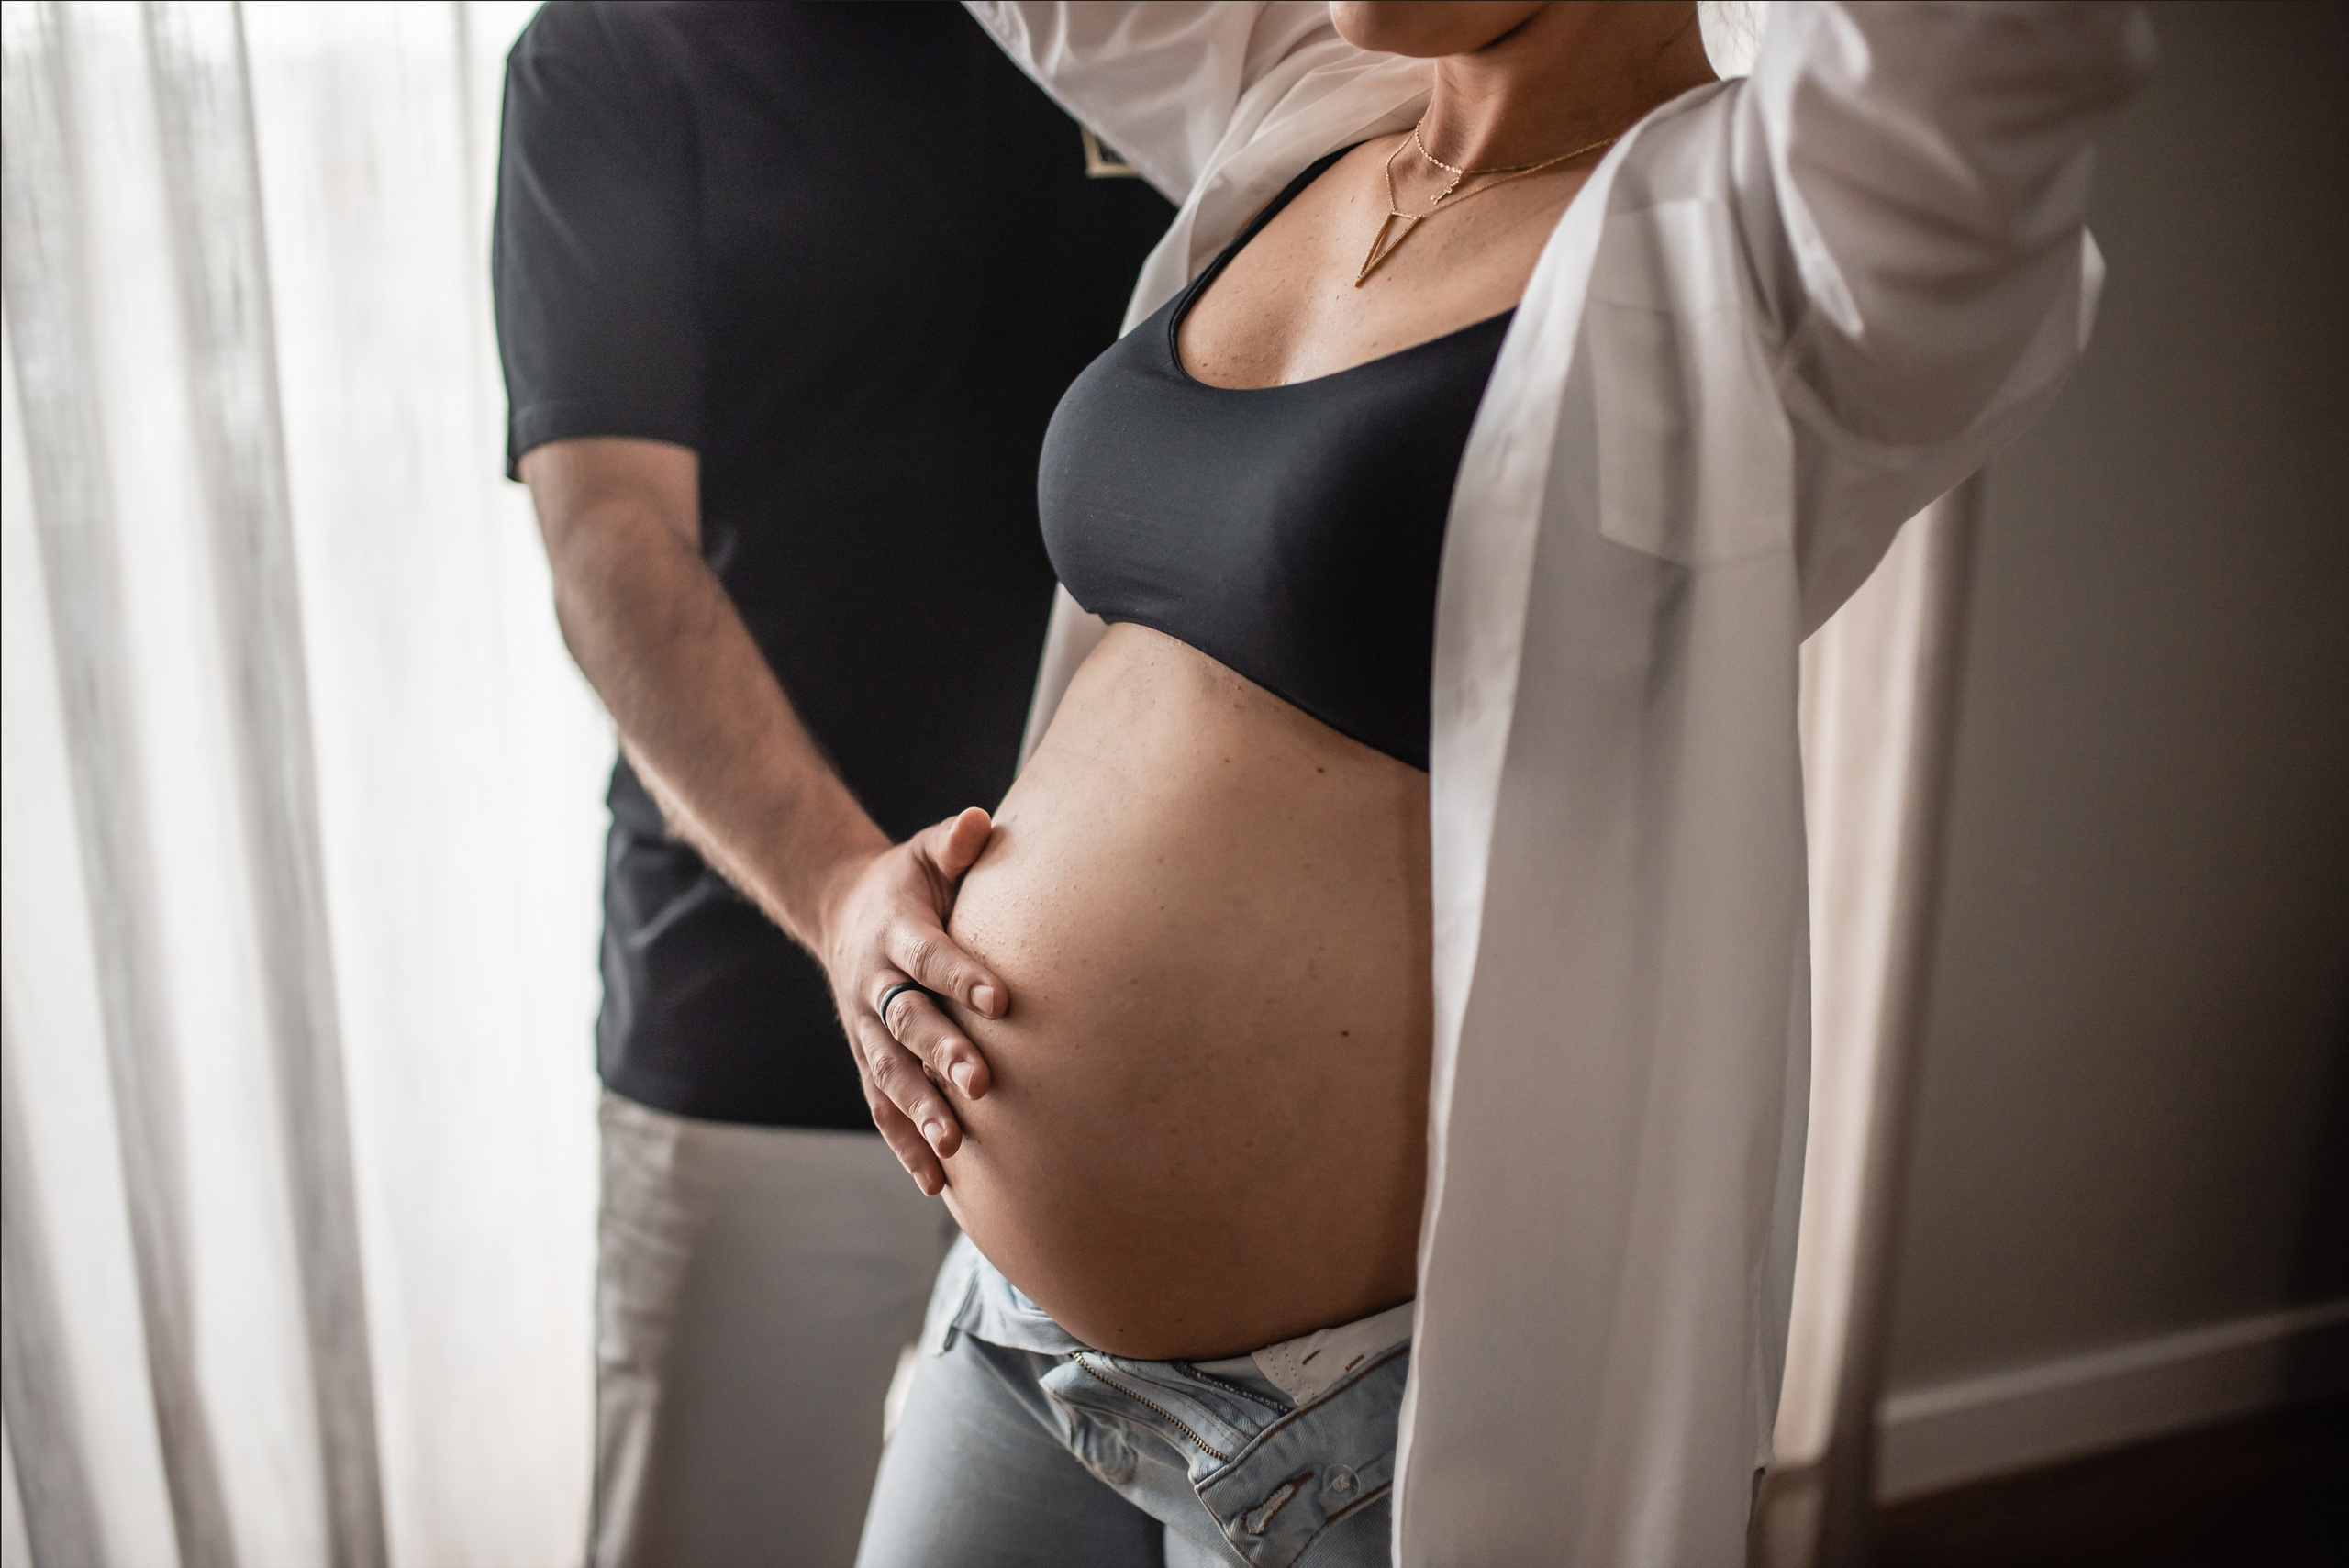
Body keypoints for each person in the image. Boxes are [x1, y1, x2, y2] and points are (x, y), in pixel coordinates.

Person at [846, 3, 2155, 1564]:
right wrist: (882, 903)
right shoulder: (1302, 110)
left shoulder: (1779, 246)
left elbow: (1990, 55)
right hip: (1010, 1337)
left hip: (1355, 1447)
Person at [489, 5, 1169, 1562]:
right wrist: (849, 899)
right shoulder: (610, 56)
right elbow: (609, 542)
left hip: (1097, 1044)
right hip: (759, 1036)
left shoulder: (1130, 34)